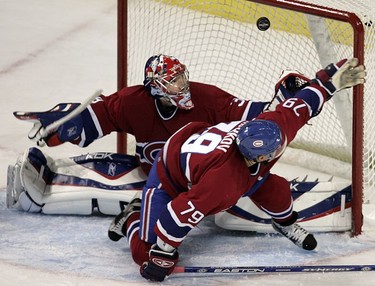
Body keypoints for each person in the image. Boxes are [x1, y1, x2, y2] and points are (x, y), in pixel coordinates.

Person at [107, 58, 366, 282]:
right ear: (260, 156)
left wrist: (329, 81)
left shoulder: (274, 125)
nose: (280, 149)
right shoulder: (221, 182)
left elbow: (301, 105)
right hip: (169, 173)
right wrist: (162, 256)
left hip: (203, 148)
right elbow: (176, 216)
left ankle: (285, 224)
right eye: (273, 152)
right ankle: (131, 217)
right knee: (144, 252)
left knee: (276, 189)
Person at [7, 54, 268, 215]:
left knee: (107, 193)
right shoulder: (134, 102)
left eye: (182, 77)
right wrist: (66, 127)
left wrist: (286, 102)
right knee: (107, 170)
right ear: (156, 87)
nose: (182, 85)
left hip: (198, 184)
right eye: (173, 81)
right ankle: (45, 174)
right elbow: (98, 117)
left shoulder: (207, 98)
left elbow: (252, 112)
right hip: (153, 175)